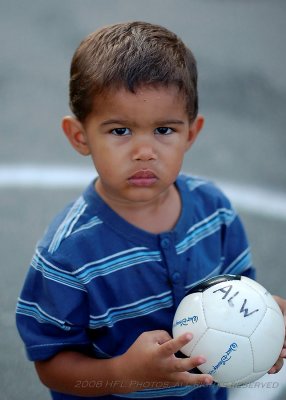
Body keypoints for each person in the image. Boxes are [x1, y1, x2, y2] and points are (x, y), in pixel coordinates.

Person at [16, 21, 286, 400]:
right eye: (120, 131)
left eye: (164, 130)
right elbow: (50, 363)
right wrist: (122, 373)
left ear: (191, 133)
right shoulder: (67, 254)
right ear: (80, 137)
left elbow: (239, 287)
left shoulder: (215, 211)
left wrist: (265, 320)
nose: (145, 151)